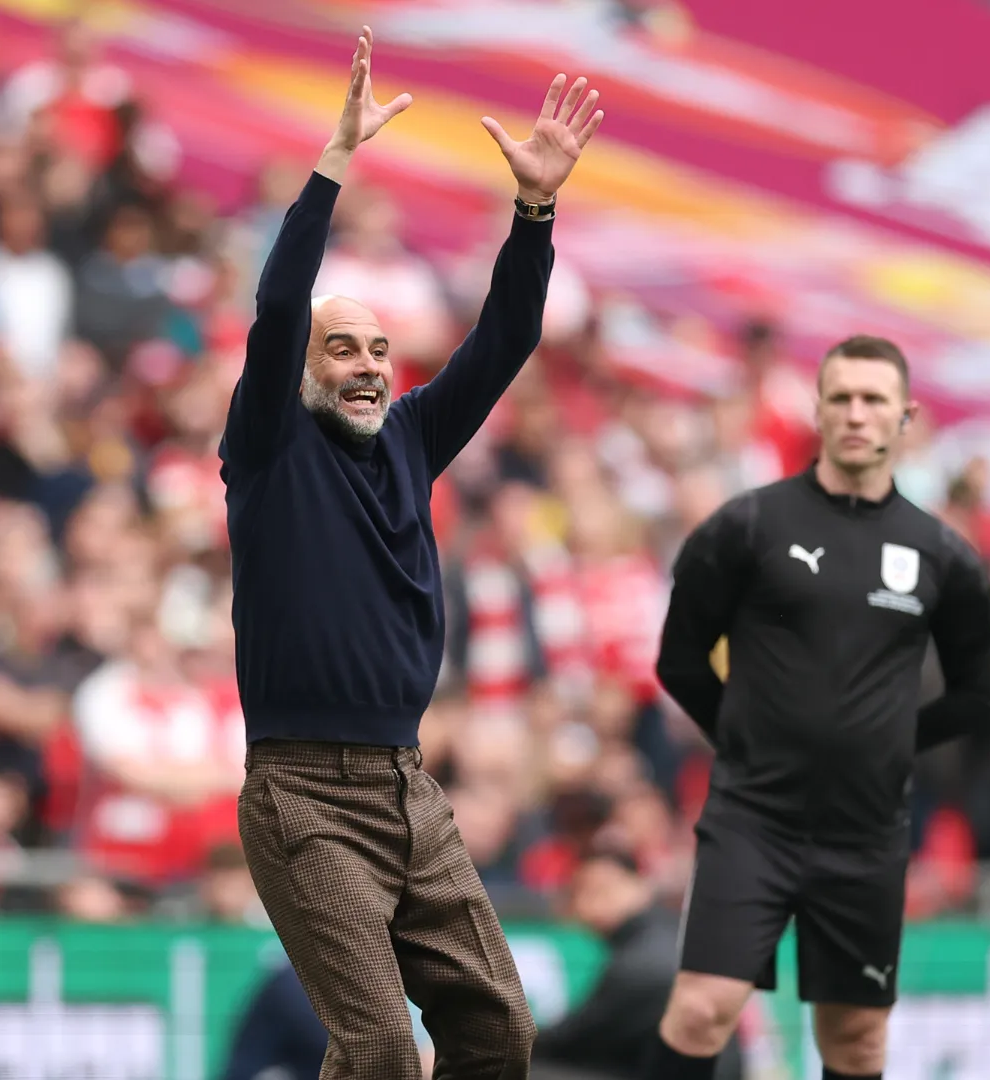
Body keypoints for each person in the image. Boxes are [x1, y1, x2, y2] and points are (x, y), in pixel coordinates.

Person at [221, 27, 604, 1080]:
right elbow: (273, 307)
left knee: (496, 1034)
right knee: (384, 1048)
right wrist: (333, 165)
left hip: (407, 785)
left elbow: (508, 336)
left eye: (381, 350)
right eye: (341, 347)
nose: (366, 366)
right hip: (302, 791)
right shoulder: (266, 443)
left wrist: (534, 213)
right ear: (302, 365)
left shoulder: (414, 439)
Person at [649, 335, 990, 1080]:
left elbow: (976, 694)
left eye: (874, 400)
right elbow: (677, 660)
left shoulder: (944, 555)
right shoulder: (746, 527)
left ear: (906, 417)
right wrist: (744, 737)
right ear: (817, 411)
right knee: (702, 1008)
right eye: (840, 398)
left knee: (856, 1042)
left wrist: (891, 747)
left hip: (866, 835)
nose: (856, 414)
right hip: (753, 818)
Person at [532, 849, 742, 1080]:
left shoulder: (640, 962)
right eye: (582, 892)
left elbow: (574, 1041)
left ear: (641, 884)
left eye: (603, 889)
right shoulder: (671, 936)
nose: (594, 902)